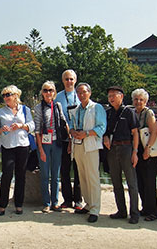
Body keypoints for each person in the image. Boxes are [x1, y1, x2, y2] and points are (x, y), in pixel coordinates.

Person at [69, 83, 106, 223]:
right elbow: (71, 125)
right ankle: (88, 203)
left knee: (92, 177)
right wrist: (73, 132)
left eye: (84, 92)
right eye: (78, 92)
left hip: (91, 145)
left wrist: (86, 134)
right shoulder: (76, 109)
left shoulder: (97, 107)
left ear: (89, 93)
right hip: (78, 145)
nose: (81, 94)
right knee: (82, 177)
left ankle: (95, 209)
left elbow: (101, 127)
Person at [0, 85, 35, 215]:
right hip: (7, 146)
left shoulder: (25, 109)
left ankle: (19, 204)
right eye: (4, 95)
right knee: (6, 175)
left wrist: (21, 126)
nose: (6, 97)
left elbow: (32, 125)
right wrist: (2, 130)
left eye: (8, 94)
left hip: (23, 145)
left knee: (21, 175)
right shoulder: (1, 112)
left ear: (16, 95)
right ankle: (2, 204)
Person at [103, 86, 140, 224]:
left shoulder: (129, 112)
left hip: (126, 147)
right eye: (109, 96)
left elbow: (135, 133)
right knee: (116, 182)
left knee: (131, 182)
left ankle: (134, 213)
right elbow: (104, 130)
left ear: (121, 96)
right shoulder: (108, 113)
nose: (111, 98)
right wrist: (105, 137)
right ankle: (121, 210)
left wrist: (135, 152)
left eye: (114, 95)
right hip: (112, 148)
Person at [34, 81, 69, 213]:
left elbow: (64, 122)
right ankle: (46, 202)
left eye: (51, 90)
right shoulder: (38, 108)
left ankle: (55, 202)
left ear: (54, 92)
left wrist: (70, 139)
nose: (48, 93)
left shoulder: (58, 105)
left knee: (56, 174)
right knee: (44, 175)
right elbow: (37, 130)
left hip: (57, 143)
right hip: (44, 144)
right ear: (42, 93)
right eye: (45, 90)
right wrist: (41, 149)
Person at [54, 69, 83, 210]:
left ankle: (78, 199)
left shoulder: (81, 96)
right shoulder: (58, 97)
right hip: (64, 138)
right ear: (63, 81)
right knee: (64, 170)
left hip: (78, 137)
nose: (69, 81)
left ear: (75, 80)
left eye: (71, 79)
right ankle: (67, 200)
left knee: (78, 170)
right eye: (66, 79)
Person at [131, 88, 157, 221]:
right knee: (140, 181)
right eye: (136, 99)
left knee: (149, 182)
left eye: (141, 99)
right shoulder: (133, 113)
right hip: (138, 150)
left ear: (146, 101)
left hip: (149, 150)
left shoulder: (149, 113)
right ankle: (145, 208)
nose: (138, 102)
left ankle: (153, 211)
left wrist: (148, 147)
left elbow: (154, 131)